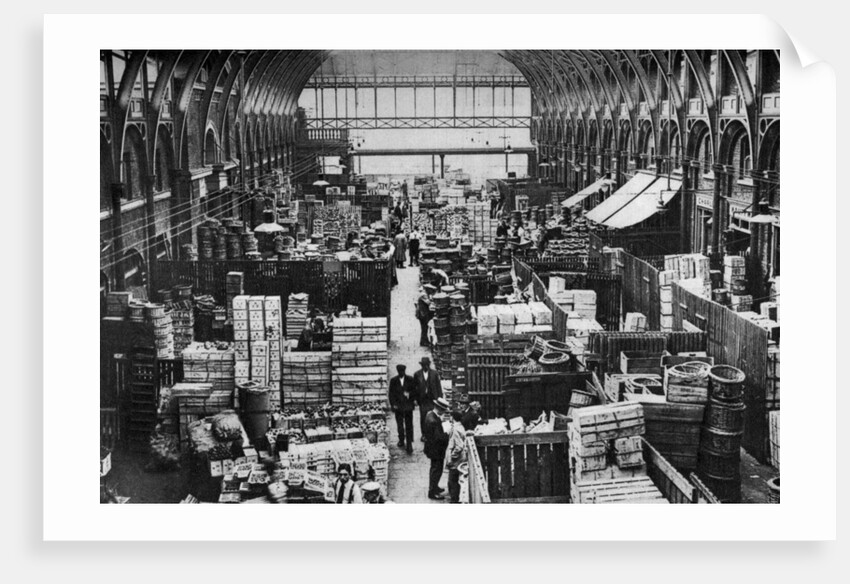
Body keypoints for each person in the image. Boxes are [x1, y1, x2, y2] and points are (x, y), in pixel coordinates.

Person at [423, 397, 451, 500]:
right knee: (436, 470)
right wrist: (447, 433)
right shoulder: (433, 420)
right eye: (443, 410)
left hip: (432, 448)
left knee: (435, 469)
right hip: (436, 450)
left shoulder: (430, 415)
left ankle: (435, 487)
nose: (444, 412)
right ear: (439, 409)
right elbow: (439, 438)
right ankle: (432, 492)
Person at [388, 364, 417, 454]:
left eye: (402, 371)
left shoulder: (410, 379)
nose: (401, 373)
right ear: (398, 372)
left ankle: (409, 443)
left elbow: (415, 391)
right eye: (400, 372)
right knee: (400, 424)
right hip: (398, 406)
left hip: (408, 406)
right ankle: (401, 439)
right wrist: (393, 404)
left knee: (409, 425)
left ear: (404, 371)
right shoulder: (393, 381)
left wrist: (409, 394)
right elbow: (391, 394)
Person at [414, 356, 443, 442]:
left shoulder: (434, 374)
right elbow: (414, 388)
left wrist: (440, 398)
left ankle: (433, 434)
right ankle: (424, 434)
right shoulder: (417, 374)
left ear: (429, 365)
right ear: (421, 365)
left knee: (433, 416)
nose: (425, 367)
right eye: (424, 365)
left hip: (432, 399)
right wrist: (415, 399)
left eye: (427, 365)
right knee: (423, 417)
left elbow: (438, 387)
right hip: (423, 400)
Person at [445, 410, 468, 504]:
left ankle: (454, 500)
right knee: (456, 479)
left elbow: (459, 446)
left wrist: (452, 456)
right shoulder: (460, 427)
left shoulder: (455, 429)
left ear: (453, 418)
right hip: (461, 458)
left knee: (452, 480)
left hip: (456, 459)